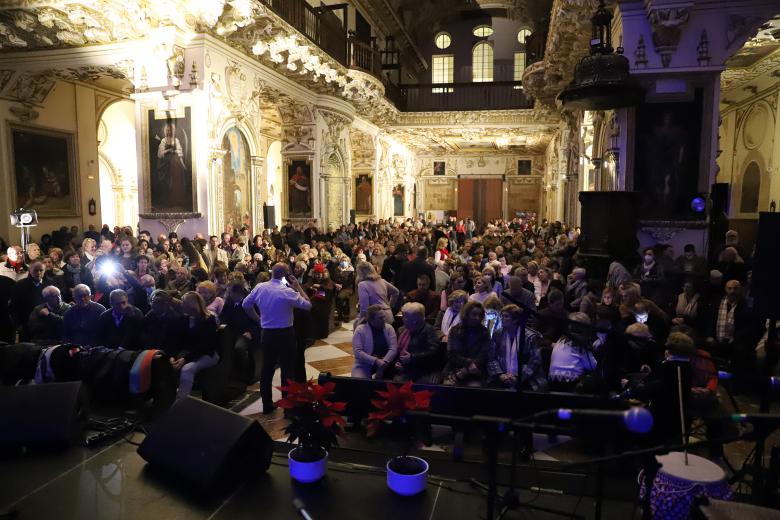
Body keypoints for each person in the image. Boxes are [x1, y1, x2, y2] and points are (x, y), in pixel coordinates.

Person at [243, 262, 312, 413]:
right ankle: (288, 408)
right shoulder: (287, 291)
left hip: (267, 333)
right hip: (285, 333)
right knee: (287, 370)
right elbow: (308, 305)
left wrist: (258, 319)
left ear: (272, 272)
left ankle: (267, 405)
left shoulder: (260, 287)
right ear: (287, 274)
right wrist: (297, 287)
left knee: (267, 369)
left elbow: (245, 305)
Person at [170, 291, 219, 399]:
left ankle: (181, 403)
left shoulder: (208, 320)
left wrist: (186, 359)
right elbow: (176, 341)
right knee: (168, 365)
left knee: (187, 369)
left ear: (191, 305)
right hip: (188, 354)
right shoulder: (184, 319)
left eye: (183, 303)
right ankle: (168, 398)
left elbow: (206, 345)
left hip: (207, 354)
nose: (181, 305)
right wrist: (172, 356)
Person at [487, 304, 547, 391]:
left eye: (506, 316)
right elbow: (491, 357)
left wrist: (518, 376)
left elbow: (535, 361)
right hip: (502, 375)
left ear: (515, 320)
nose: (502, 318)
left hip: (527, 377)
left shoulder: (530, 336)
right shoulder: (497, 334)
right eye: (502, 316)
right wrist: (501, 375)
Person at [442, 301, 491, 386]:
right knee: (449, 386)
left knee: (474, 387)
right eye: (474, 314)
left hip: (476, 368)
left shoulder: (484, 332)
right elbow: (452, 354)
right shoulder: (455, 330)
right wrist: (468, 363)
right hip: (456, 367)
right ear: (466, 314)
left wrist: (469, 368)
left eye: (480, 315)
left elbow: (484, 354)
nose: (477, 318)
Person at [394, 302, 442, 384]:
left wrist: (412, 357)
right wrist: (397, 363)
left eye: (406, 317)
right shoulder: (402, 330)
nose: (403, 319)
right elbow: (398, 351)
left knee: (424, 385)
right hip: (407, 368)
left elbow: (433, 353)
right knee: (398, 383)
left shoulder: (429, 331)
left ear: (418, 318)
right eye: (404, 316)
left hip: (425, 369)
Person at [548, 312, 597, 391]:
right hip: (570, 385)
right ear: (584, 327)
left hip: (552, 383)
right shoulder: (581, 342)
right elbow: (592, 366)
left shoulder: (561, 338)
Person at [351, 305, 398, 379]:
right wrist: (375, 361)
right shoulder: (360, 330)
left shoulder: (389, 328)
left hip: (386, 363)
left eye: (384, 316)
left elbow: (393, 349)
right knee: (360, 383)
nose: (384, 319)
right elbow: (358, 352)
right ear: (371, 320)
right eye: (380, 318)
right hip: (364, 363)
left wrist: (383, 363)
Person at [11, 261, 51, 340]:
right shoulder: (20, 285)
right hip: (26, 325)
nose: (39, 273)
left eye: (41, 270)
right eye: (36, 270)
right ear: (30, 270)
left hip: (46, 325)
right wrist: (18, 325)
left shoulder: (50, 284)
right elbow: (13, 307)